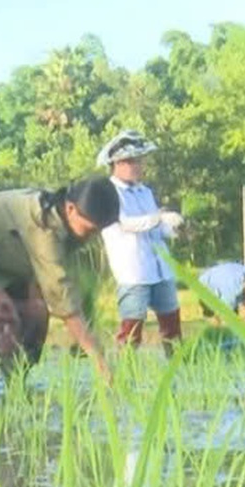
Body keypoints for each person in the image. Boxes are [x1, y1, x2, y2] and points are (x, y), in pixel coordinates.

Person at [0, 177, 121, 383]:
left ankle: (20, 377)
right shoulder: (42, 226)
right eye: (91, 230)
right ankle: (11, 384)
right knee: (3, 315)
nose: (93, 236)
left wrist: (83, 336)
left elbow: (73, 284)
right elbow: (58, 290)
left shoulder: (68, 224)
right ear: (70, 208)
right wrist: (95, 354)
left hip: (12, 256)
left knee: (36, 315)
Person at [96, 130, 184, 349]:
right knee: (131, 330)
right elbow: (126, 223)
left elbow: (155, 229)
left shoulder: (145, 192)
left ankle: (179, 371)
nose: (138, 166)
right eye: (132, 162)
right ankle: (126, 377)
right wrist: (159, 217)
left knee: (172, 327)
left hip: (160, 269)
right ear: (117, 163)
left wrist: (174, 228)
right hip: (134, 272)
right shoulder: (109, 193)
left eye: (140, 161)